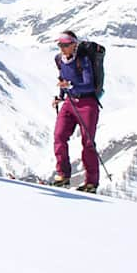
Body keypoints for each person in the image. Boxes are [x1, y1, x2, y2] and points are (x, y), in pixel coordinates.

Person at [50, 31, 100, 192]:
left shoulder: (83, 60)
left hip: (87, 103)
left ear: (74, 44)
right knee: (59, 136)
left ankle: (91, 182)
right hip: (70, 102)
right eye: (60, 45)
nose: (62, 48)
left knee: (88, 142)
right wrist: (60, 96)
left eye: (65, 45)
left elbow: (89, 84)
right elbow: (62, 79)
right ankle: (63, 174)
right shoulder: (60, 60)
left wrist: (70, 86)